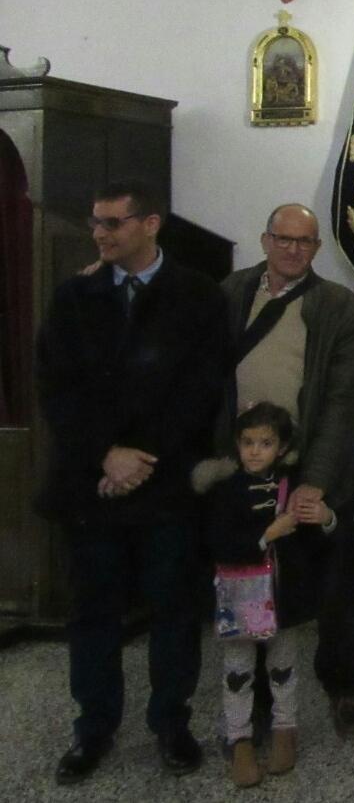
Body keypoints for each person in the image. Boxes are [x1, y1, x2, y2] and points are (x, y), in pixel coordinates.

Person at [36, 180, 228, 784]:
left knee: (174, 611)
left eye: (114, 223)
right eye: (96, 222)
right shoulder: (76, 296)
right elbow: (57, 388)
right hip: (94, 485)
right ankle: (92, 729)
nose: (100, 233)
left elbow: (202, 391)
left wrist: (140, 458)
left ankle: (171, 724)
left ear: (151, 224)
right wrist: (105, 456)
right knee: (93, 614)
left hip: (165, 483)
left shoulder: (197, 296)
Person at [220, 203, 354, 740]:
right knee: (253, 583)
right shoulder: (230, 294)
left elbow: (338, 401)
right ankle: (256, 699)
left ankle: (343, 688)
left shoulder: (339, 307)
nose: (294, 250)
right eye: (284, 239)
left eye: (305, 242)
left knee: (333, 588)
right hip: (247, 467)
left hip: (313, 464)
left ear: (316, 248)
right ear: (265, 240)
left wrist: (318, 481)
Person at [201, 402, 338, 787]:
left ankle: (285, 730)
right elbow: (218, 542)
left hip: (284, 598)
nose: (255, 451)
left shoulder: (292, 487)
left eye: (265, 442)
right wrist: (267, 535)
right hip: (240, 597)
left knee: (283, 668)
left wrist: (325, 517)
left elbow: (317, 539)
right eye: (248, 442)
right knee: (237, 671)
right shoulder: (224, 490)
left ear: (281, 447)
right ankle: (239, 738)